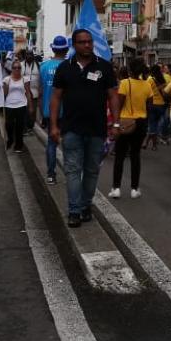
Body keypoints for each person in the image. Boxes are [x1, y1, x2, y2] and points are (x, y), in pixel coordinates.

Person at [50, 29, 119, 226]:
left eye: (89, 42)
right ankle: (74, 211)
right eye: (82, 42)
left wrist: (115, 122)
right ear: (74, 45)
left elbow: (113, 96)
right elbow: (56, 98)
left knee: (91, 171)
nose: (87, 45)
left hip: (97, 130)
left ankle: (85, 205)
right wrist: (54, 126)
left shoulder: (104, 67)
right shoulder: (64, 68)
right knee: (72, 170)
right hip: (71, 129)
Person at [109, 58, 150, 199]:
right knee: (135, 155)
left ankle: (116, 188)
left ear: (130, 70)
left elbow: (119, 104)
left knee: (120, 155)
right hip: (141, 123)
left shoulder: (125, 83)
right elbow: (149, 105)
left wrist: (115, 122)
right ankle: (134, 188)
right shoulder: (147, 85)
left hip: (126, 123)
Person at [38, 36, 68, 184]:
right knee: (69, 144)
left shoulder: (43, 66)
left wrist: (42, 112)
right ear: (67, 49)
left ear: (53, 48)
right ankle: (72, 175)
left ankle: (51, 175)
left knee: (51, 144)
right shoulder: (70, 66)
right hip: (68, 112)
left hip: (49, 112)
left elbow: (41, 91)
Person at [2, 60, 33, 153]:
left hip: (21, 104)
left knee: (20, 126)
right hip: (9, 105)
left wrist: (30, 106)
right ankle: (10, 139)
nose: (17, 69)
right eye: (15, 67)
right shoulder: (7, 79)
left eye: (19, 68)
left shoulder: (25, 79)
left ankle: (18, 145)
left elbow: (28, 93)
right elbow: (4, 94)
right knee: (9, 125)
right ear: (11, 69)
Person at [145, 65, 167, 151]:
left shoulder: (150, 79)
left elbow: (147, 91)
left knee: (152, 124)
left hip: (152, 104)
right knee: (156, 124)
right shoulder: (162, 79)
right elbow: (165, 91)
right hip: (161, 104)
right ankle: (150, 143)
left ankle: (151, 144)